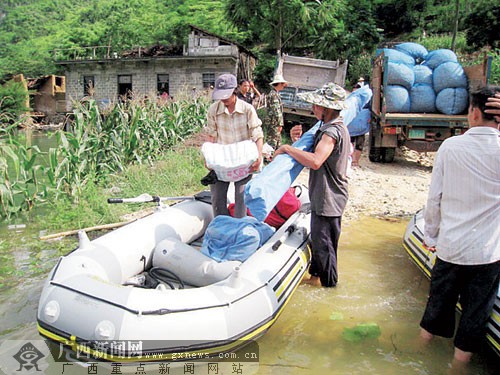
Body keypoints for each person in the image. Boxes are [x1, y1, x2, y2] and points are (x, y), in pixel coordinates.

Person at [419, 85, 500, 367]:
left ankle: (419, 352)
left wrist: (430, 234)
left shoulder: (451, 147)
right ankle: (457, 367)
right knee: (476, 312)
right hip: (488, 253)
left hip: (451, 247)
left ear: (473, 112)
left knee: (437, 304)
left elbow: (435, 198)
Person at [274, 83, 350, 287]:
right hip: (325, 196)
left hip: (329, 198)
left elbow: (316, 160)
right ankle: (315, 277)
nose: (313, 108)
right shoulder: (328, 128)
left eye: (316, 105)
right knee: (320, 240)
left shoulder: (332, 131)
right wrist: (297, 142)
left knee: (325, 246)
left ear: (327, 109)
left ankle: (329, 288)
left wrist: (288, 149)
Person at [204, 73, 264, 218]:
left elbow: (257, 134)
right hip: (222, 160)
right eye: (221, 95)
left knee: (241, 198)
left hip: (242, 160)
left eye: (227, 95)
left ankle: (239, 229)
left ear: (234, 90)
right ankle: (221, 227)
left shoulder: (247, 109)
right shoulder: (214, 110)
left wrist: (259, 156)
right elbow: (211, 135)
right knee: (217, 198)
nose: (224, 99)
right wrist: (208, 159)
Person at [264, 74, 287, 151]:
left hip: (274, 122)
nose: (284, 85)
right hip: (274, 123)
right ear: (279, 84)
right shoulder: (273, 95)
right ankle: (269, 158)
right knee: (273, 141)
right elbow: (276, 111)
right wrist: (280, 123)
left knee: (276, 140)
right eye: (282, 84)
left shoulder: (274, 93)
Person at [350, 83, 366, 167]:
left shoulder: (364, 102)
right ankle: (351, 160)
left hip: (360, 127)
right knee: (350, 143)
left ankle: (355, 161)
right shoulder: (349, 100)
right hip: (351, 127)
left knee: (359, 144)